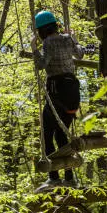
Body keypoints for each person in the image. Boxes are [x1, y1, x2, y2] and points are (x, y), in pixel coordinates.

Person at [31, 10, 84, 190]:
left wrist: (34, 49)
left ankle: (53, 177)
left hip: (56, 94)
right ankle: (69, 177)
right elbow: (80, 54)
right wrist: (74, 39)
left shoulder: (48, 42)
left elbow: (41, 65)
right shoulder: (67, 39)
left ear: (41, 31)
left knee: (46, 135)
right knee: (62, 134)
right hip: (72, 94)